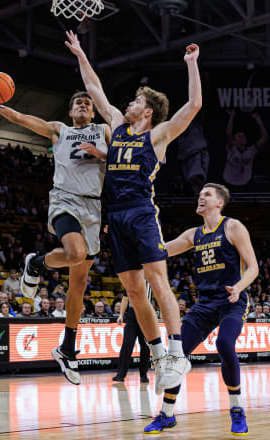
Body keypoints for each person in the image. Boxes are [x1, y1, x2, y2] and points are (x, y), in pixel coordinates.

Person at [65, 30, 201, 392]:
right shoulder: (117, 127)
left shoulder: (157, 136)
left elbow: (194, 106)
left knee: (157, 280)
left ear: (149, 111)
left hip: (141, 212)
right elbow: (95, 89)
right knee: (135, 291)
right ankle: (157, 355)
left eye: (136, 101)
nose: (128, 104)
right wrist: (80, 54)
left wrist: (192, 64)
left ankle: (176, 352)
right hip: (115, 216)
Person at [0, 80, 111, 386]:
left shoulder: (105, 132)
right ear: (69, 111)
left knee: (78, 283)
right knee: (75, 253)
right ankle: (36, 263)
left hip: (94, 207)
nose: (83, 104)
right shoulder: (59, 130)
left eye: (87, 103)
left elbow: (121, 162)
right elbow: (22, 119)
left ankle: (67, 349)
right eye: (78, 102)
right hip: (65, 200)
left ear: (93, 111)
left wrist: (100, 153)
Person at [144, 184, 258, 436]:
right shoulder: (193, 234)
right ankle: (167, 415)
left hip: (231, 300)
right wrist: (129, 236)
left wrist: (238, 288)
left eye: (207, 194)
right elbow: (161, 250)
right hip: (204, 304)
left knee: (225, 345)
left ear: (220, 202)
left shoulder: (233, 227)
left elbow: (253, 268)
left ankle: (237, 409)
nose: (201, 197)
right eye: (200, 194)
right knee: (177, 356)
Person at [223, 109, 268, 188]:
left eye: (243, 136)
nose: (241, 138)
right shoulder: (231, 149)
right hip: (228, 182)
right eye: (239, 136)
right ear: (234, 141)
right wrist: (232, 116)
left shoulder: (251, 151)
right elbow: (228, 134)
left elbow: (264, 137)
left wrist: (258, 119)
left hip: (245, 183)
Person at [113, 295, 150, 383]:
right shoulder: (131, 281)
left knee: (145, 347)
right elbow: (125, 299)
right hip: (131, 316)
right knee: (127, 345)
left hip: (145, 314)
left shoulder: (151, 282)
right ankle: (120, 374)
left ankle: (144, 374)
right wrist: (121, 315)